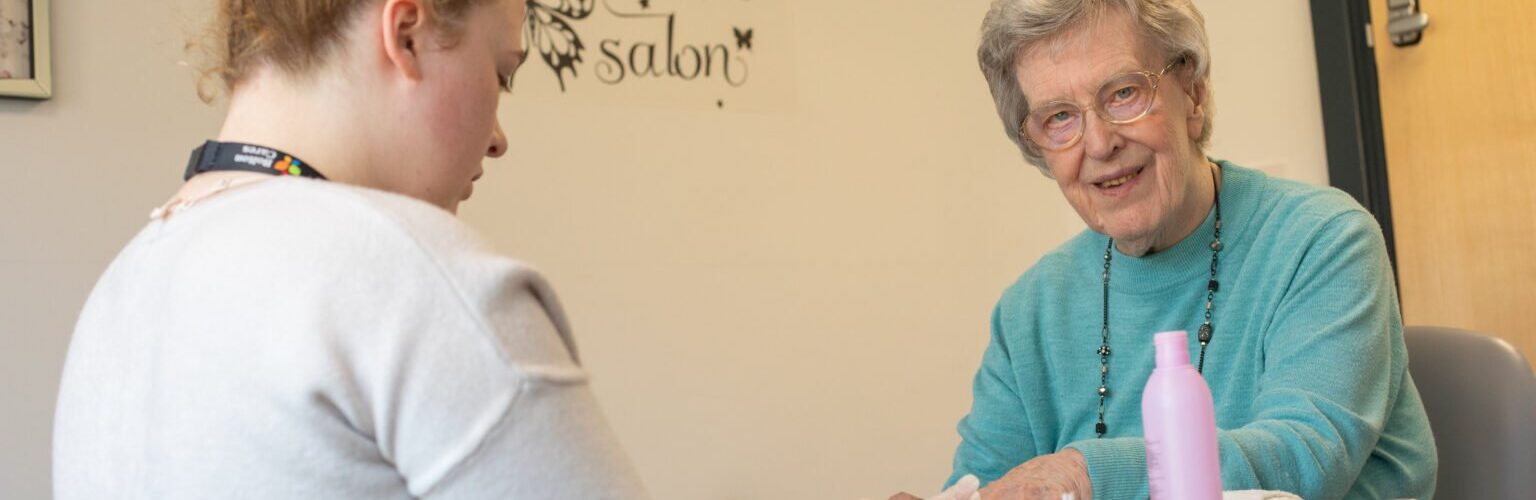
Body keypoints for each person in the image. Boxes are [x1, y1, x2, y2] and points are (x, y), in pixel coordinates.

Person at [52, 0, 648, 498]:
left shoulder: (123, 287)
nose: (498, 139)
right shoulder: (419, 274)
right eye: (501, 72)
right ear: (406, 32)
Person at [920, 1, 1438, 498]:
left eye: (1122, 93)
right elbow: (987, 484)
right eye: (1059, 118)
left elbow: (1303, 460)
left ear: (1192, 94)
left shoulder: (1323, 241)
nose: (1099, 144)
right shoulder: (1029, 310)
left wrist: (1084, 475)